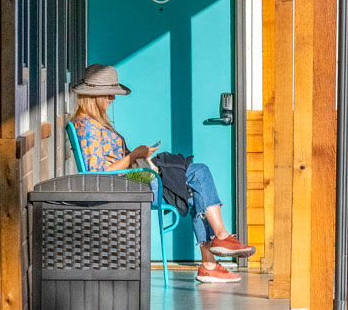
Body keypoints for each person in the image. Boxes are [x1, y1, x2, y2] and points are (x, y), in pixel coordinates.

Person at [69, 64, 256, 283]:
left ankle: (209, 264)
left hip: (133, 179)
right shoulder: (87, 127)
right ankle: (221, 239)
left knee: (196, 191)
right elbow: (97, 172)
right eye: (110, 94)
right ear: (95, 96)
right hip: (126, 186)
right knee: (199, 173)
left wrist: (140, 155)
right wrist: (133, 157)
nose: (113, 98)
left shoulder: (95, 124)